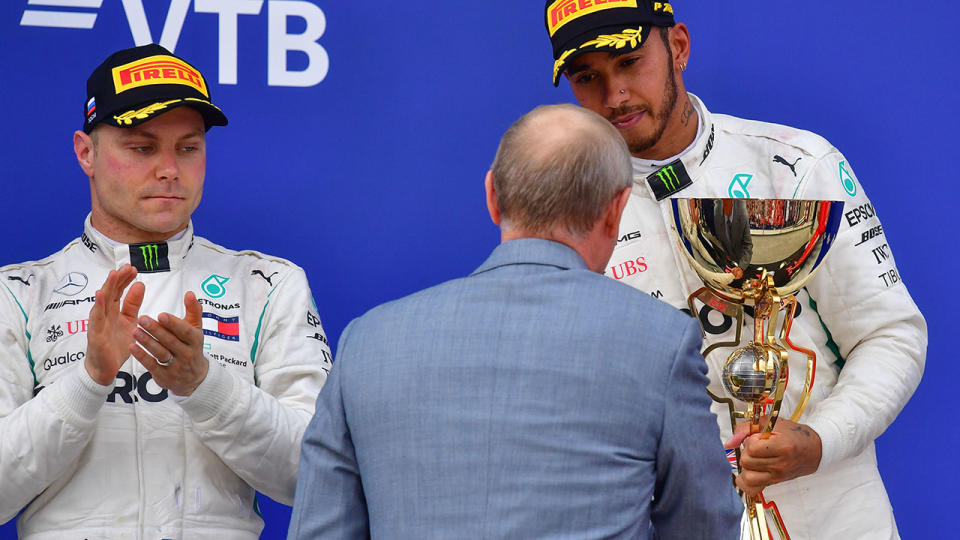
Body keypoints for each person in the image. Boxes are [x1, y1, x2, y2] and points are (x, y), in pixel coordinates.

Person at [543, 2, 927, 538]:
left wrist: (820, 441)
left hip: (836, 516)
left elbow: (891, 335)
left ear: (678, 46)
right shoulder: (568, 213)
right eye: (588, 78)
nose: (615, 95)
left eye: (630, 62)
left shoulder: (795, 165)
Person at [287, 104, 742, 539]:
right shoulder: (661, 340)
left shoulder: (367, 342)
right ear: (615, 210)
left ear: (491, 195)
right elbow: (704, 526)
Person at [0, 44, 332, 539]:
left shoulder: (269, 285)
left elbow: (316, 476)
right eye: (142, 147)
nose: (169, 169)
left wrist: (205, 386)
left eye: (188, 147)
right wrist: (89, 381)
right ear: (85, 152)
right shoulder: (17, 293)